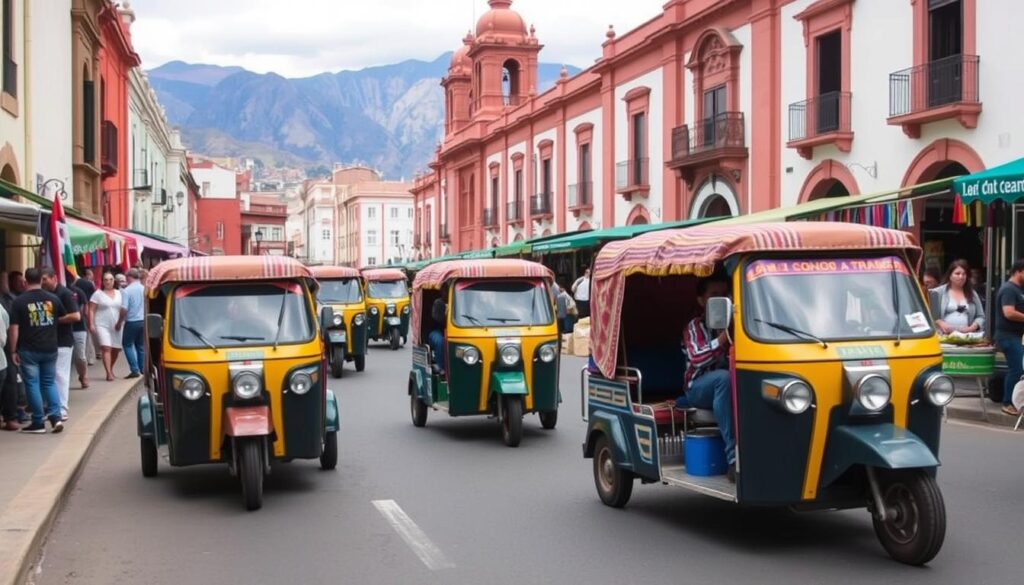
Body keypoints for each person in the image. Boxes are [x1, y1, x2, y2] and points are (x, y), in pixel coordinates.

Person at [679, 275, 736, 482]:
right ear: (702, 301)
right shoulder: (694, 326)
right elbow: (697, 357)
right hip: (698, 387)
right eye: (714, 296)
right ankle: (732, 458)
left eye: (724, 295)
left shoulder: (739, 325)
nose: (720, 300)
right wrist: (722, 339)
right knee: (722, 378)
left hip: (727, 386)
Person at [8, 267, 66, 433]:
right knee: (49, 382)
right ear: (41, 280)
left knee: (32, 384)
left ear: (25, 281)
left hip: (29, 349)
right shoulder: (53, 299)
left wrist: (13, 350)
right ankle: (56, 417)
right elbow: (61, 317)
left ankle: (38, 422)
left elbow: (14, 329)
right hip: (50, 347)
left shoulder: (19, 301)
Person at [41, 269, 81, 421]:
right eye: (41, 279)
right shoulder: (46, 294)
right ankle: (53, 408)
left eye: (45, 279)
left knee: (60, 375)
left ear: (54, 278)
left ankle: (62, 408)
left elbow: (76, 315)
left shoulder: (64, 293)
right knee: (51, 376)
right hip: (50, 341)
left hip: (63, 341)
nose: (42, 282)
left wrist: (55, 320)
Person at [994, 259, 1024, 417]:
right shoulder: (1009, 290)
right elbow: (1009, 312)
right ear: (1019, 271)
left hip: (1016, 336)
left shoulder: (1018, 290)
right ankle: (1008, 403)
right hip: (1008, 336)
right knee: (1017, 369)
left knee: (1018, 369)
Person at [931, 260, 984, 335]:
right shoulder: (938, 293)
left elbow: (981, 316)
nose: (961, 277)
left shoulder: (972, 293)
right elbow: (931, 316)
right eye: (957, 273)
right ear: (950, 275)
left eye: (964, 274)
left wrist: (972, 327)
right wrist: (940, 323)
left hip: (966, 337)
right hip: (944, 336)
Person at [90, 273, 123, 381]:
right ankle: (108, 373)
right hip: (102, 324)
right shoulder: (97, 294)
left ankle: (111, 368)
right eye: (105, 280)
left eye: (110, 279)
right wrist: (91, 323)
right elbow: (91, 309)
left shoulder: (120, 293)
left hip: (117, 324)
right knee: (106, 347)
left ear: (114, 281)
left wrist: (122, 321)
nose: (108, 282)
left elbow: (124, 308)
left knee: (116, 349)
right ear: (102, 281)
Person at [119, 269, 145, 379]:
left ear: (129, 277)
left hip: (132, 321)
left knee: (127, 344)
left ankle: (134, 369)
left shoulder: (127, 290)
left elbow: (124, 308)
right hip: (143, 320)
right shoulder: (144, 288)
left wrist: (120, 321)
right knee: (140, 346)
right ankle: (142, 368)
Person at [75, 269, 98, 366]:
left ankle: (85, 356)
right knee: (88, 333)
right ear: (87, 275)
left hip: (78, 309)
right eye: (91, 275)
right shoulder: (89, 284)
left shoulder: (76, 284)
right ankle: (91, 357)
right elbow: (94, 298)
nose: (92, 277)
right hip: (88, 309)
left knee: (85, 334)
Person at [427, 298, 447, 374]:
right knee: (439, 340)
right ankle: (441, 367)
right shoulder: (439, 302)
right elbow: (437, 319)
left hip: (453, 330)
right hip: (436, 330)